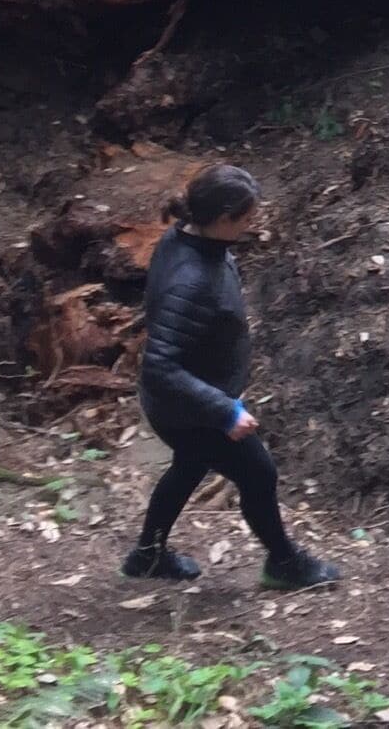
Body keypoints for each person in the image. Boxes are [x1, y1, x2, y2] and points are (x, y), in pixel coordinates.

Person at [124, 164, 338, 590]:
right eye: (245, 219)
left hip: (186, 402)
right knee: (259, 473)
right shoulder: (191, 279)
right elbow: (160, 365)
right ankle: (284, 562)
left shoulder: (186, 238)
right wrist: (224, 411)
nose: (251, 226)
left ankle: (146, 556)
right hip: (188, 409)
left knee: (189, 466)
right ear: (221, 219)